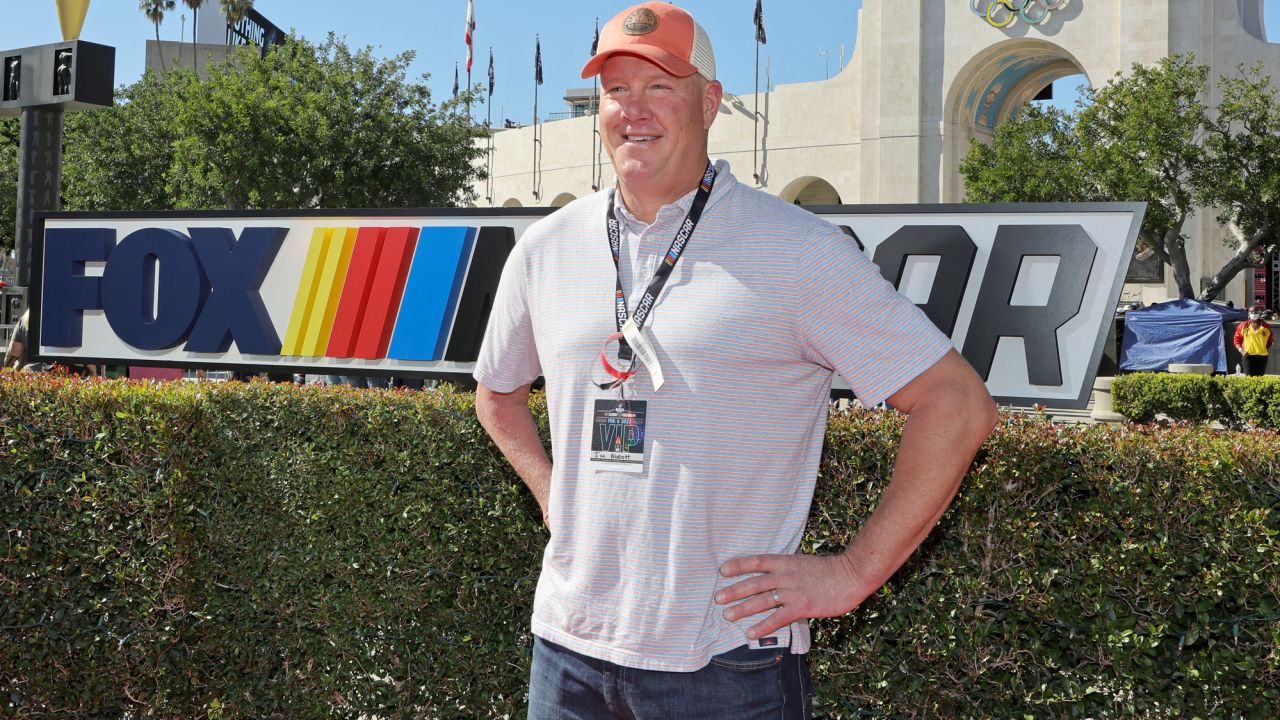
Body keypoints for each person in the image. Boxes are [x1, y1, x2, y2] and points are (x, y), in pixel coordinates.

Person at [472, 3, 997, 716]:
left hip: (726, 664)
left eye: (661, 86)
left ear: (710, 102)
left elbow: (957, 403)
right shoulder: (547, 246)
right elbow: (496, 395)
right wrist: (551, 494)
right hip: (567, 652)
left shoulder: (796, 247)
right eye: (616, 89)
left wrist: (850, 574)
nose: (635, 110)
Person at [1234, 303, 1273, 376]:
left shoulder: (1266, 327)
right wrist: (1241, 351)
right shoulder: (1243, 326)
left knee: (1260, 379)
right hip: (1248, 356)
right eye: (1252, 312)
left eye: (1256, 312)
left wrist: (1265, 349)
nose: (1254, 314)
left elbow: (1270, 340)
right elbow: (1236, 340)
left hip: (1262, 357)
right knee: (1249, 378)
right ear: (1248, 314)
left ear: (1259, 313)